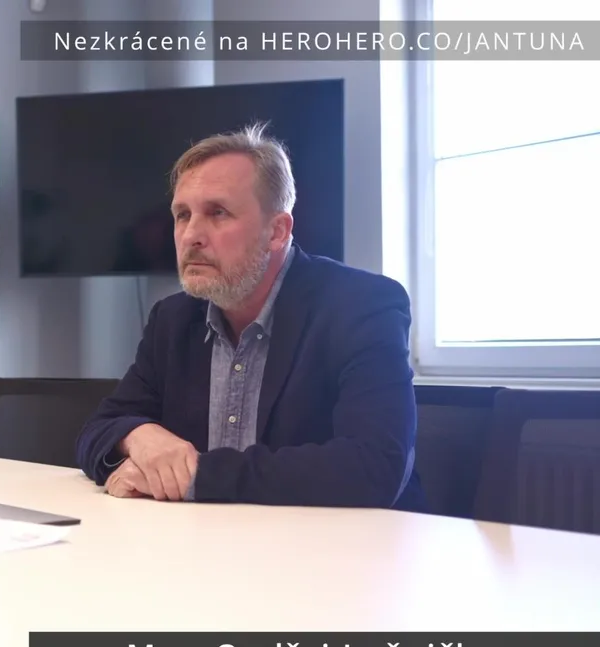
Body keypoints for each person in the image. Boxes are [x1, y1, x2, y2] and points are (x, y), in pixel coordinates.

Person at [76, 123, 425, 511]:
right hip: (204, 539)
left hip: (345, 544)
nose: (190, 235)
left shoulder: (361, 305)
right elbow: (96, 431)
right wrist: (139, 436)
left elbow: (374, 468)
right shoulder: (172, 320)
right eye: (182, 215)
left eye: (218, 213)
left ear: (277, 232)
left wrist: (196, 477)